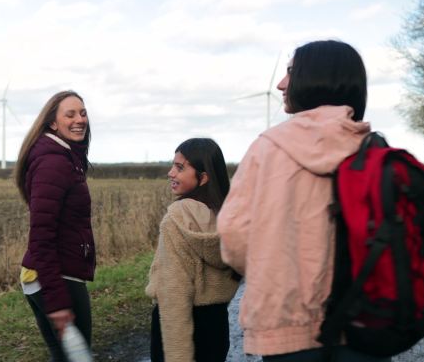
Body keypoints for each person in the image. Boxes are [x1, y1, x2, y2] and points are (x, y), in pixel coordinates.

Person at [217, 40, 390, 361]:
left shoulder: (267, 148)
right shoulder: (375, 149)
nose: (281, 84)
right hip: (365, 327)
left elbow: (234, 235)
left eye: (291, 72)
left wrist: (275, 269)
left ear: (316, 78)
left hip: (289, 334)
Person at [14, 90, 96, 361]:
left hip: (48, 275)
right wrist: (57, 299)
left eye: (82, 113)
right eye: (70, 114)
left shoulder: (64, 158)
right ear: (52, 123)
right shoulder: (54, 163)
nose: (80, 119)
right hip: (57, 276)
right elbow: (41, 238)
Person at [145, 138, 240, 362]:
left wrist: (177, 355)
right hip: (216, 326)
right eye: (173, 166)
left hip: (181, 330)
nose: (170, 173)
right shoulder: (227, 217)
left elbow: (174, 293)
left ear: (203, 177)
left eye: (180, 168)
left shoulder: (178, 218)